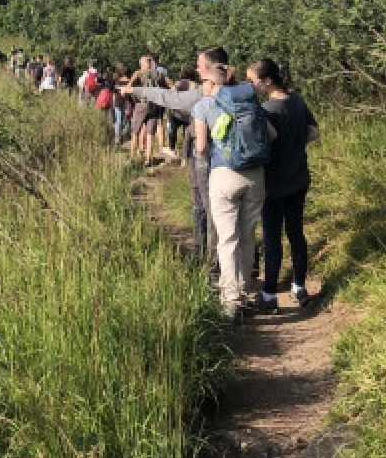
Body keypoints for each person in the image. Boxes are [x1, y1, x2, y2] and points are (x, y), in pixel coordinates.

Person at [190, 46, 276, 318]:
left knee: (227, 238)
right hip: (255, 175)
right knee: (247, 234)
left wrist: (212, 158)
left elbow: (201, 146)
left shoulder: (204, 105)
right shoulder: (250, 102)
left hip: (223, 174)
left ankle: (231, 300)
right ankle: (246, 289)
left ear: (211, 82)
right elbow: (272, 134)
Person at [123, 66, 218, 270]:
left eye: (201, 66)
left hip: (205, 161)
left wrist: (134, 90)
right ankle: (242, 265)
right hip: (240, 168)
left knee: (206, 208)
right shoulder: (243, 96)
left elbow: (171, 98)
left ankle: (209, 261)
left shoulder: (202, 100)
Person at [248, 59, 320, 311]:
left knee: (272, 237)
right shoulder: (298, 101)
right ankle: (299, 286)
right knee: (296, 232)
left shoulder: (266, 109)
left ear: (267, 81)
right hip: (299, 177)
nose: (251, 86)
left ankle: (268, 293)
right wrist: (295, 145)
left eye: (253, 81)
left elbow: (269, 137)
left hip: (274, 182)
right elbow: (313, 133)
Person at [127, 55, 169, 166]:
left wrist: (133, 97)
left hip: (141, 105)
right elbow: (172, 86)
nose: (140, 66)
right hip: (154, 106)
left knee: (135, 132)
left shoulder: (139, 73)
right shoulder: (160, 75)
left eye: (141, 64)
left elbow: (129, 87)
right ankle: (148, 160)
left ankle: (132, 158)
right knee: (151, 133)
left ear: (145, 64)